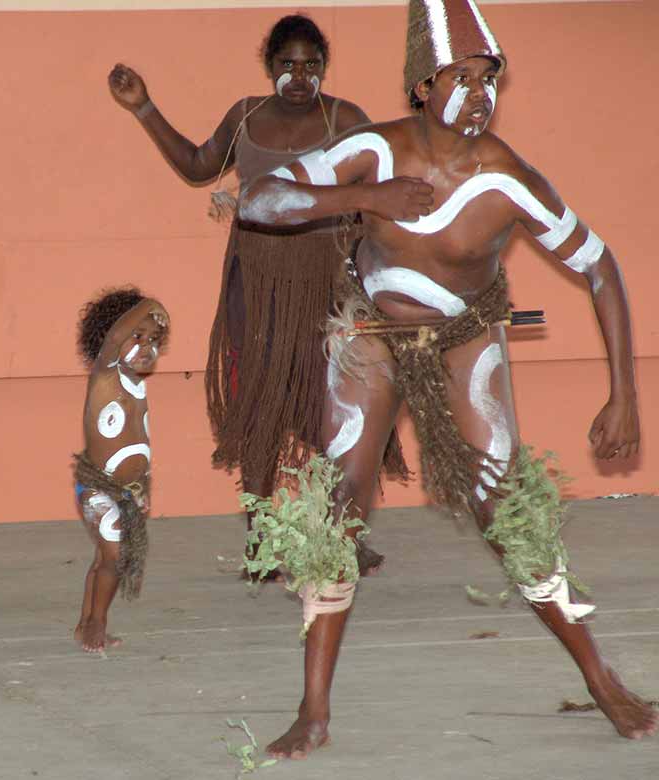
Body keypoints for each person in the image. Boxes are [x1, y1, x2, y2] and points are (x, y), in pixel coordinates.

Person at [239, 0, 657, 758]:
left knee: (508, 510)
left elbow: (598, 266)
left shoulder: (508, 178)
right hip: (369, 335)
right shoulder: (374, 150)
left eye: (488, 77)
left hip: (466, 341)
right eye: (459, 77)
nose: (478, 93)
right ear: (421, 88)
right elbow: (261, 201)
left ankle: (601, 677)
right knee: (335, 511)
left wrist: (624, 392)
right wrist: (365, 197)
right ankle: (314, 711)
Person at [108, 16, 392, 574]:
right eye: (287, 64)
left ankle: (344, 533)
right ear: (269, 67)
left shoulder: (348, 120)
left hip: (327, 283)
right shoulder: (245, 118)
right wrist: (143, 106)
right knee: (260, 402)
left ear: (323, 68)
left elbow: (380, 193)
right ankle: (261, 539)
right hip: (255, 283)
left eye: (311, 65)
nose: (299, 75)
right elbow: (197, 166)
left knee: (336, 410)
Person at [73, 289, 169, 653]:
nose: (147, 347)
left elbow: (139, 441)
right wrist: (150, 306)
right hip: (98, 488)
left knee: (104, 557)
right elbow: (116, 337)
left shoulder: (137, 385)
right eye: (138, 337)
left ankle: (85, 622)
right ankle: (96, 624)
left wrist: (142, 488)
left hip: (126, 491)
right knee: (113, 556)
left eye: (154, 339)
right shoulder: (105, 376)